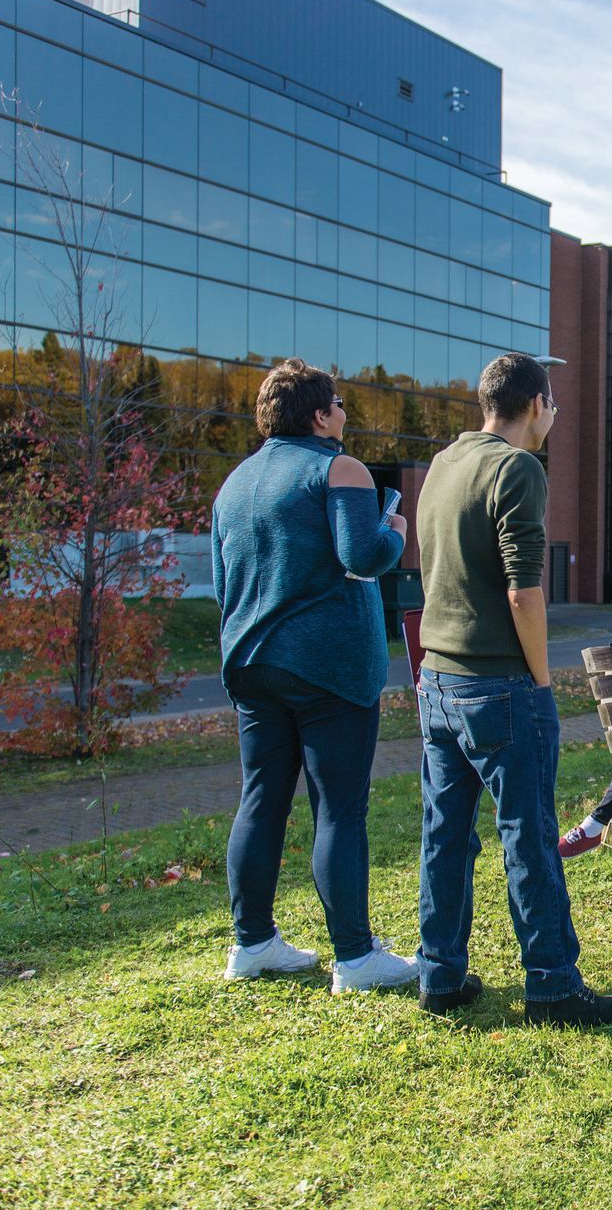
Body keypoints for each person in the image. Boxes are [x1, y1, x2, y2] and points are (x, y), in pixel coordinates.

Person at [413, 353, 612, 1027]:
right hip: (499, 686)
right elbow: (523, 592)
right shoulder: (517, 470)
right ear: (535, 403)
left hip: (436, 680)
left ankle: (440, 975)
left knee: (444, 836)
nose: (556, 416)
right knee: (528, 836)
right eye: (555, 404)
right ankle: (551, 986)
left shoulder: (444, 466)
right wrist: (540, 681)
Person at [212, 359, 414, 992]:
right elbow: (363, 556)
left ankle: (252, 944)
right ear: (320, 413)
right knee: (339, 808)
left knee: (261, 801)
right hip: (328, 668)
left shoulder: (233, 484)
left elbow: (223, 586)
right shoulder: (339, 468)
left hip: (250, 662)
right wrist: (395, 529)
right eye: (341, 404)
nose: (346, 414)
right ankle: (355, 958)